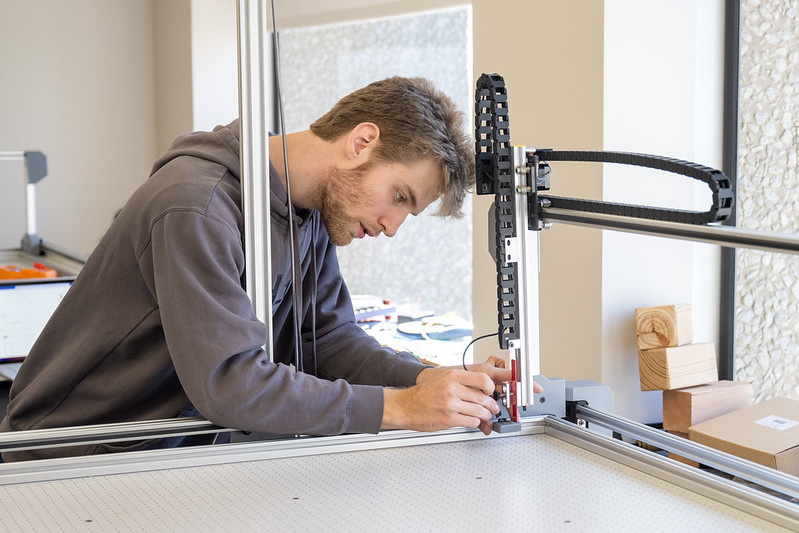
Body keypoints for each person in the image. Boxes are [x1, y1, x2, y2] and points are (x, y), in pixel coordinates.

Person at [1, 77, 516, 462]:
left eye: (409, 212)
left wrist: (437, 381)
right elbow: (230, 382)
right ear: (362, 142)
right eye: (398, 196)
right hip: (70, 452)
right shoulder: (195, 207)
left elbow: (329, 341)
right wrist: (403, 408)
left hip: (166, 446)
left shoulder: (308, 213)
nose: (391, 226)